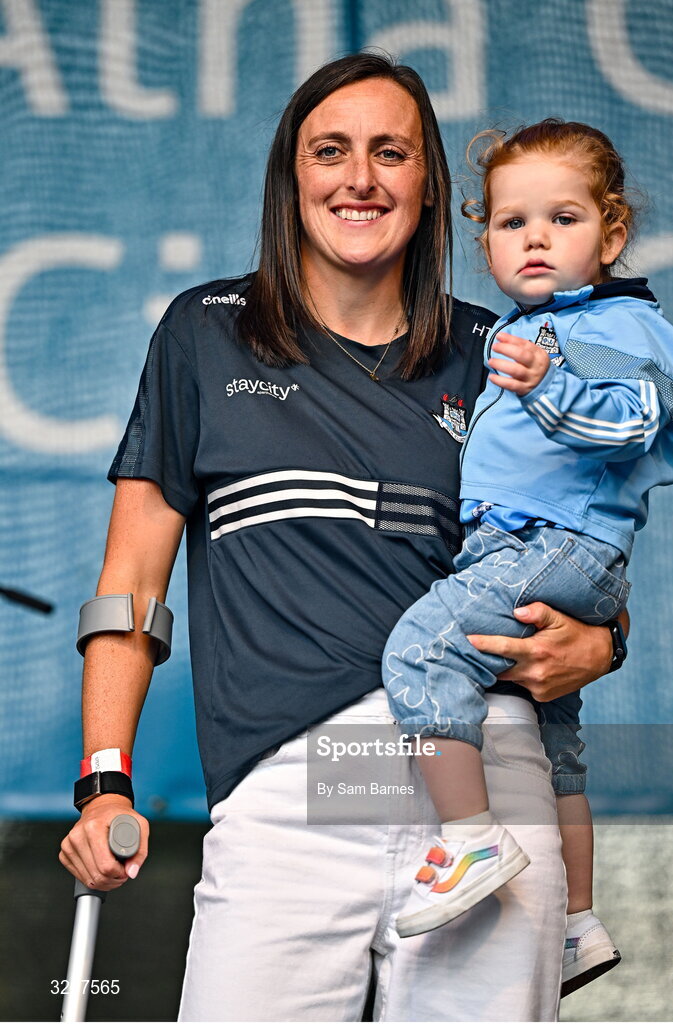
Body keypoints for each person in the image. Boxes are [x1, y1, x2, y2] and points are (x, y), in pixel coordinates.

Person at [59, 55, 630, 1022]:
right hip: (293, 787)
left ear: (430, 185)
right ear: (293, 178)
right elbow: (132, 582)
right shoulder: (204, 331)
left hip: (486, 779)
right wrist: (103, 782)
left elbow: (584, 544)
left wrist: (602, 644)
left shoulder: (504, 353)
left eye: (390, 153)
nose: (359, 179)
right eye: (331, 152)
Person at [383, 118, 673, 995]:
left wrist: (549, 385)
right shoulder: (538, 329)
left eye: (561, 219)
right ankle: (575, 923)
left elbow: (632, 421)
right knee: (551, 737)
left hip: (549, 543)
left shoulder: (615, 325)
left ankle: (470, 841)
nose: (533, 239)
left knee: (419, 648)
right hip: (539, 547)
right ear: (483, 238)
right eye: (511, 222)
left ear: (612, 232)